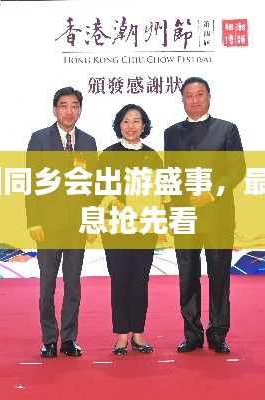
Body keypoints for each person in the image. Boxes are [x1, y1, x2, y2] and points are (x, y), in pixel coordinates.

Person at [164, 77, 246, 354]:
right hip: (184, 216)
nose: (195, 100)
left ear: (209, 97)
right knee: (187, 276)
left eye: (200, 94)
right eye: (189, 95)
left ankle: (218, 333)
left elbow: (237, 170)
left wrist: (212, 194)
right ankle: (192, 334)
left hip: (217, 215)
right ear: (182, 100)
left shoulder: (227, 130)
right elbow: (170, 175)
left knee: (219, 275)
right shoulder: (171, 133)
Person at [25, 86, 97, 358]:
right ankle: (49, 338)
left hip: (77, 224)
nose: (69, 111)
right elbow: (31, 183)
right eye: (64, 105)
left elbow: (92, 187)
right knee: (47, 285)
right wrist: (34, 222)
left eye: (74, 105)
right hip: (48, 225)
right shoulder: (40, 139)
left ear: (81, 110)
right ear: (54, 110)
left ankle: (69, 338)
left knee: (73, 285)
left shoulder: (88, 142)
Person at [96, 104, 163, 355]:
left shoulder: (153, 156)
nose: (131, 126)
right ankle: (122, 336)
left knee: (140, 280)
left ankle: (138, 334)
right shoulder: (108, 154)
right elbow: (98, 189)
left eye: (136, 121)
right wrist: (115, 203)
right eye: (126, 121)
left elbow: (161, 194)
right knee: (120, 279)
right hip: (116, 227)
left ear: (144, 126)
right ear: (119, 125)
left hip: (144, 227)